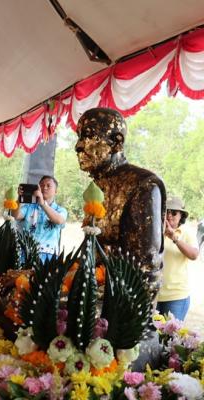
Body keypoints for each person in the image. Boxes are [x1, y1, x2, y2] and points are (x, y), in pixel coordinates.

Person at [75, 107, 166, 370]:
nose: (78, 146)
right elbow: (91, 252)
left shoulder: (142, 184)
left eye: (88, 136)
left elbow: (145, 270)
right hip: (93, 300)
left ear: (116, 142)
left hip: (122, 317)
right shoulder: (99, 185)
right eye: (79, 136)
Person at [157, 196, 199, 320]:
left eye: (174, 212)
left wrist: (174, 237)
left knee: (169, 332)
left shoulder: (187, 232)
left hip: (176, 297)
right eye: (166, 211)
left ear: (181, 216)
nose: (169, 215)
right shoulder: (155, 231)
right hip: (154, 295)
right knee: (151, 332)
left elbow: (194, 255)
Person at [12, 175, 67, 262]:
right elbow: (15, 215)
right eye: (41, 185)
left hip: (49, 256)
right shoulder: (29, 206)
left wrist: (42, 204)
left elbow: (59, 220)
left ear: (56, 191)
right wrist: (19, 199)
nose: (44, 188)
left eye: (48, 186)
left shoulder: (60, 210)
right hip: (26, 253)